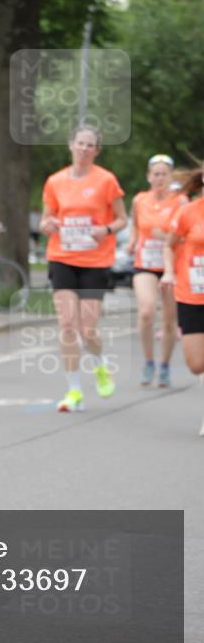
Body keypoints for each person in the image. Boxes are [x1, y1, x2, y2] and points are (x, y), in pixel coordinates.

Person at [40, 125, 127, 413]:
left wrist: (105, 229)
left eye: (91, 145)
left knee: (87, 329)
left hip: (95, 260)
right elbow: (46, 219)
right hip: (62, 256)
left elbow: (122, 219)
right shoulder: (55, 181)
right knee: (67, 325)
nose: (85, 149)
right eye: (80, 143)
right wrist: (47, 225)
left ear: (97, 151)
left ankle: (101, 367)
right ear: (71, 145)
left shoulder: (106, 181)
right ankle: (73, 389)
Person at [127, 154, 186, 387]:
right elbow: (135, 224)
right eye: (156, 174)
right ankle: (149, 361)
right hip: (145, 264)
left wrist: (168, 238)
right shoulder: (139, 200)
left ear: (171, 177)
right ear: (148, 176)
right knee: (146, 312)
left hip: (171, 266)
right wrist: (132, 241)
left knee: (170, 321)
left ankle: (164, 365)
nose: (160, 178)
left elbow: (185, 235)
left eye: (164, 174)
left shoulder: (180, 201)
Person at [161, 163, 204, 435]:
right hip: (192, 293)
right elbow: (169, 245)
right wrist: (168, 271)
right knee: (196, 363)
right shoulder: (189, 211)